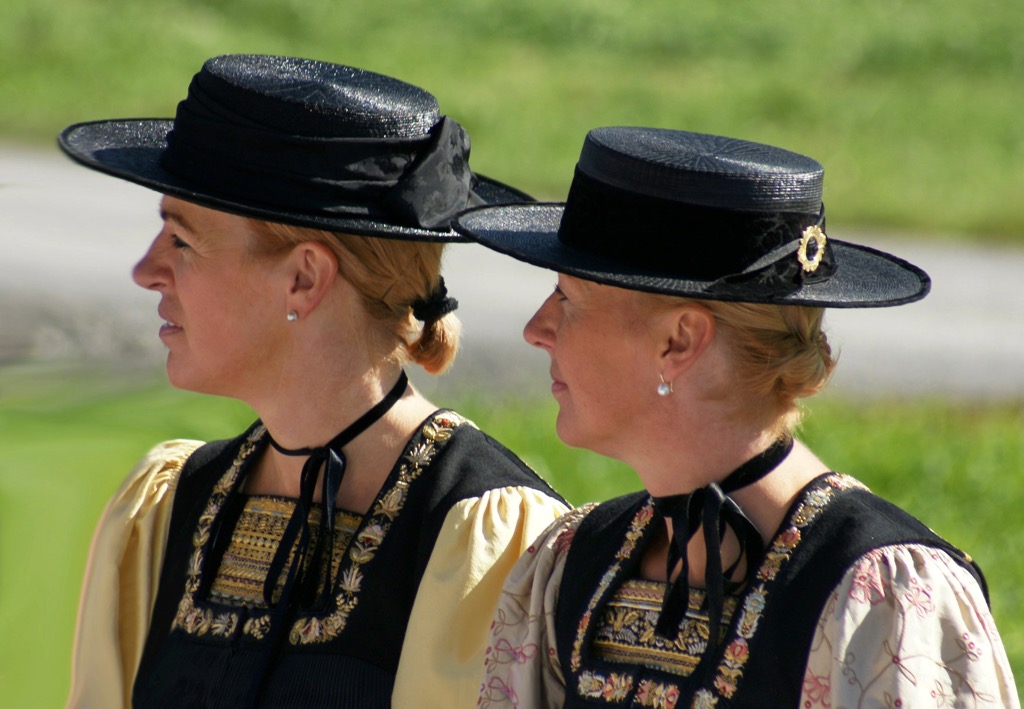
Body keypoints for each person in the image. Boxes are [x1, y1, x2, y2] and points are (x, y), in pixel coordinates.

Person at [59, 54, 568, 708]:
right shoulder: (164, 507)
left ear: (304, 277)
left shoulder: (481, 535)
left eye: (182, 240)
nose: (147, 269)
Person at [454, 127, 1019, 707]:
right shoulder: (570, 566)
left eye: (568, 297)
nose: (536, 329)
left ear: (679, 339)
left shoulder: (878, 600)